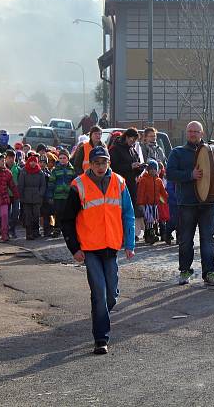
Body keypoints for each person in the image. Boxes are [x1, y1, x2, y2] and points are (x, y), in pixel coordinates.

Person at [60, 145, 135, 355]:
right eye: (96, 163)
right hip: (90, 248)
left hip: (111, 246)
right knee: (99, 294)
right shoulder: (79, 185)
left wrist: (129, 244)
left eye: (104, 162)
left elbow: (127, 213)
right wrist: (74, 248)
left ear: (108, 163)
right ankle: (101, 339)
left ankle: (101, 315)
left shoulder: (119, 182)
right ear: (89, 164)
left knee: (111, 295)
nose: (100, 166)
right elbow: (66, 220)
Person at [165, 121, 214, 287]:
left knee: (208, 240)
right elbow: (170, 173)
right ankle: (185, 271)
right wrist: (190, 175)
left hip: (208, 203)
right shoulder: (177, 152)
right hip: (187, 203)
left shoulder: (211, 151)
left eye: (196, 131)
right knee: (185, 240)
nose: (193, 134)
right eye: (190, 131)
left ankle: (209, 273)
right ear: (186, 133)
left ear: (202, 133)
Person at [136, 159, 167, 245]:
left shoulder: (159, 180)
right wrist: (140, 203)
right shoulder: (144, 180)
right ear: (148, 169)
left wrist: (166, 199)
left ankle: (149, 235)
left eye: (155, 169)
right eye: (151, 169)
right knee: (149, 221)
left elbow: (163, 191)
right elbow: (140, 192)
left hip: (155, 204)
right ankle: (150, 236)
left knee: (154, 220)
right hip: (147, 204)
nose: (153, 171)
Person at [17, 151, 47, 240]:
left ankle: (36, 232)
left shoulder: (40, 172)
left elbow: (43, 185)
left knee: (36, 216)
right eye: (31, 161)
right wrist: (21, 196)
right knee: (28, 216)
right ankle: (29, 233)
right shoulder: (24, 172)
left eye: (34, 161)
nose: (33, 163)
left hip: (37, 198)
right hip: (26, 198)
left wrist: (40, 194)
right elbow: (21, 185)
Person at [47, 149, 77, 238]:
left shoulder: (72, 170)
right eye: (60, 158)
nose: (62, 160)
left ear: (68, 158)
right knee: (58, 213)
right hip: (58, 196)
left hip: (68, 196)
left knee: (67, 214)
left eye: (64, 158)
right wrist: (50, 196)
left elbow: (75, 183)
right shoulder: (55, 170)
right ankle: (57, 230)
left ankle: (67, 231)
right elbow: (51, 183)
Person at [109, 128, 143, 205]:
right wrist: (130, 166)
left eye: (135, 140)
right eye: (132, 139)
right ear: (127, 137)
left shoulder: (132, 149)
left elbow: (136, 165)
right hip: (120, 185)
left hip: (132, 185)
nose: (134, 142)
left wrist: (140, 168)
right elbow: (113, 168)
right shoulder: (115, 149)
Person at [5, 149, 22, 239]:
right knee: (6, 214)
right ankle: (6, 230)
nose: (11, 159)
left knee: (16, 213)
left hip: (15, 195)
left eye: (13, 157)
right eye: (9, 157)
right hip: (6, 194)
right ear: (6, 158)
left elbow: (21, 182)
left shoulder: (18, 169)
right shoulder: (3, 168)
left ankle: (13, 229)